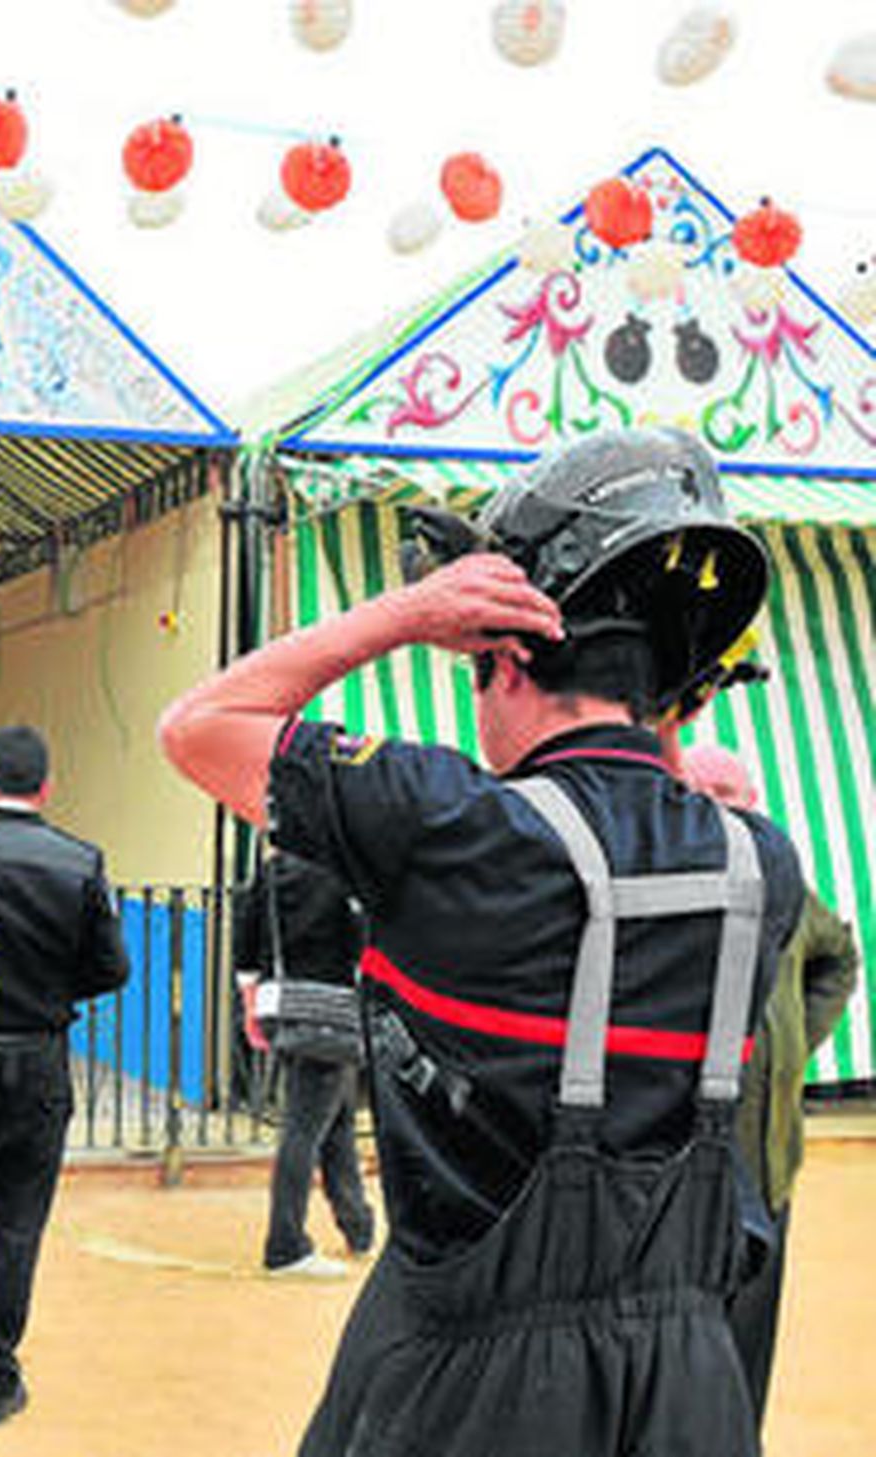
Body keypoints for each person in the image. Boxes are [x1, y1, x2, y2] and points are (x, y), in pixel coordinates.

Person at [157, 428, 805, 1457]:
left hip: (477, 1386)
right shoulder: (758, 869)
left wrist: (406, 613)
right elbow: (648, 796)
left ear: (501, 661)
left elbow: (197, 723)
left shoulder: (449, 822)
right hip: (688, 1379)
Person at [0, 726, 129, 1425]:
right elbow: (110, 968)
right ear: (44, 788)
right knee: (15, 1229)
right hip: (39, 1060)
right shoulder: (79, 861)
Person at [680, 743, 859, 1425]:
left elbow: (838, 955)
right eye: (712, 795)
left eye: (739, 795)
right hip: (674, 1177)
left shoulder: (782, 880)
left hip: (767, 1163)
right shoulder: (658, 875)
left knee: (746, 1347)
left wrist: (792, 1046)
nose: (731, 810)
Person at [232, 848, 375, 1277]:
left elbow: (246, 941)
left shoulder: (274, 870)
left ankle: (359, 1226)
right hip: (331, 1014)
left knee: (337, 1119)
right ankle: (286, 1247)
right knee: (303, 1130)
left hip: (283, 1007)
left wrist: (251, 1008)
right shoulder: (346, 869)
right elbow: (363, 944)